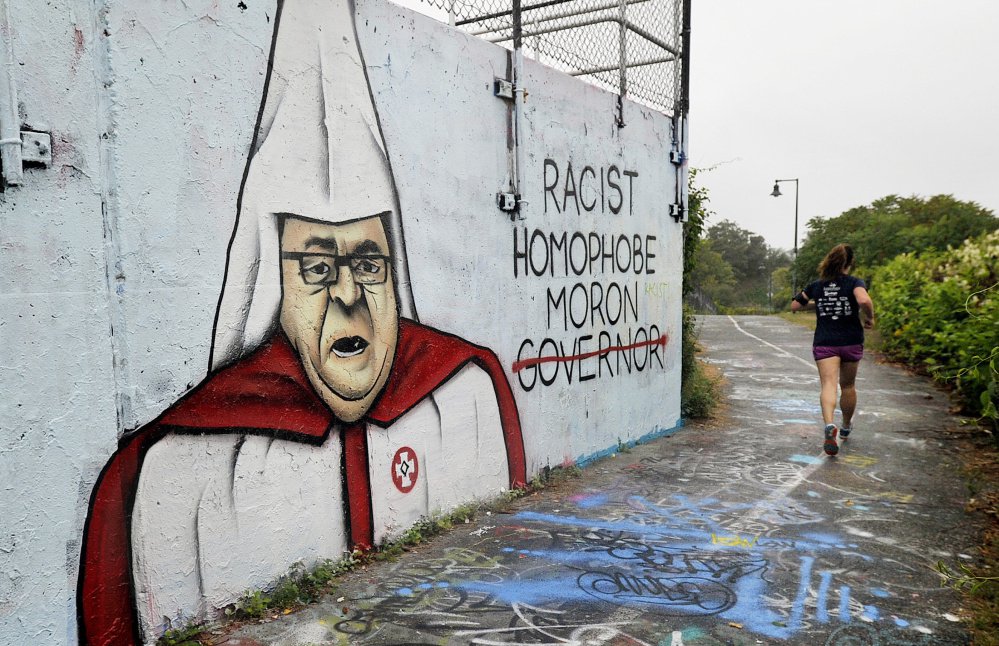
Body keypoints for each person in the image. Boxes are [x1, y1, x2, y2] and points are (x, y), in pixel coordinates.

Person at [76, 1, 526, 643]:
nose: (349, 297)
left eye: (369, 263)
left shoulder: (465, 394)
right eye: (316, 269)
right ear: (273, 288)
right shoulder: (179, 472)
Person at [791, 243, 875, 456]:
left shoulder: (817, 285)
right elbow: (863, 299)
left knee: (828, 384)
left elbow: (795, 305)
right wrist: (870, 317)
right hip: (851, 340)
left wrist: (818, 302)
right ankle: (845, 426)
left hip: (825, 341)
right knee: (847, 385)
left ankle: (829, 425)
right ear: (849, 263)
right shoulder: (855, 282)